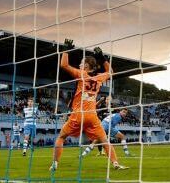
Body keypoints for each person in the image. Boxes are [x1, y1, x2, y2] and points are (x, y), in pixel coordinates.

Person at [50, 40, 128, 172]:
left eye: (81, 63)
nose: (79, 65)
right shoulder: (98, 78)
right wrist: (102, 57)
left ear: (86, 66)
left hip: (78, 114)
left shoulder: (82, 75)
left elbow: (64, 64)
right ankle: (115, 164)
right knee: (104, 141)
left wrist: (66, 50)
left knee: (61, 137)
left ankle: (55, 164)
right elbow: (111, 72)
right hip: (92, 116)